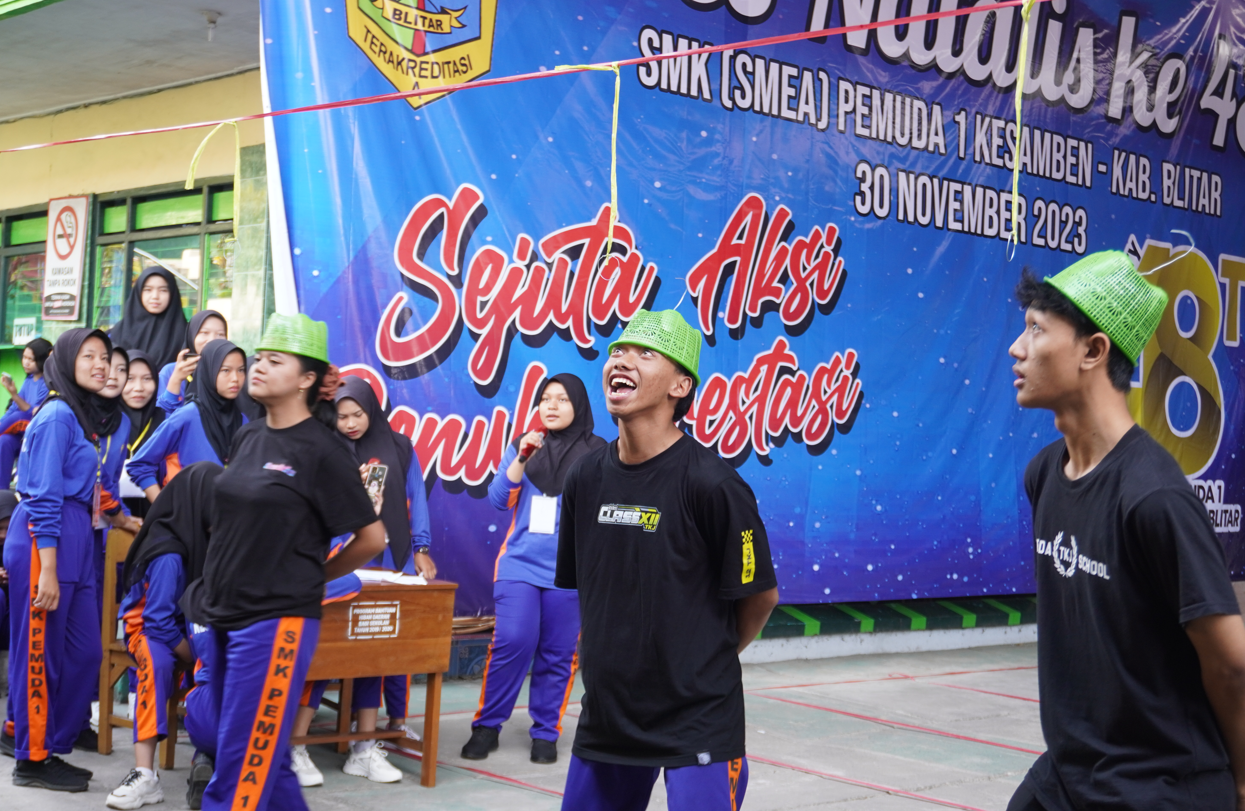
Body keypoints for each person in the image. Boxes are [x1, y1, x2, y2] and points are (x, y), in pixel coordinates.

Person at [1006, 252, 1245, 811]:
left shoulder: (1153, 497)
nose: (1017, 348)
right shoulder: (1044, 474)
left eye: (1036, 329)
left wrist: (1241, 783)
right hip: (1069, 774)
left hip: (1156, 785)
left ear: (1094, 351)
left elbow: (1231, 663)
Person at [555, 309, 779, 811]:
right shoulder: (585, 478)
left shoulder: (713, 485)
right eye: (618, 350)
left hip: (696, 720)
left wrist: (701, 665)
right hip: (608, 719)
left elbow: (760, 596)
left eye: (645, 353)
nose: (622, 360)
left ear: (681, 385)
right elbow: (589, 590)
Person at [182, 313, 386, 811]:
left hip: (275, 621)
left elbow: (371, 538)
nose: (258, 367)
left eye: (275, 361)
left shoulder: (323, 451)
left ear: (306, 379)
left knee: (240, 766)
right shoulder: (249, 437)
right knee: (263, 760)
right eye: (259, 357)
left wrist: (317, 576)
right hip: (225, 613)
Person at [282, 375, 435, 785]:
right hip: (337, 561)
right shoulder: (326, 449)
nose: (349, 423)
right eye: (342, 416)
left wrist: (421, 545)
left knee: (377, 651)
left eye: (357, 414)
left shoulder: (399, 447)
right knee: (327, 650)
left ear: (371, 411)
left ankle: (365, 746)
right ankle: (296, 745)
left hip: (387, 561)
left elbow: (417, 497)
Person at [463, 373, 604, 765]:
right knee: (513, 641)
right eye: (545, 398)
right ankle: (487, 726)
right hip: (519, 565)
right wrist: (523, 456)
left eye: (562, 399)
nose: (551, 406)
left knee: (558, 653)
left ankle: (545, 732)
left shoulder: (598, 453)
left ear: (579, 406)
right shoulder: (523, 445)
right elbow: (498, 499)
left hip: (570, 572)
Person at [4, 329, 114, 791]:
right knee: (39, 654)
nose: (100, 365)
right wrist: (47, 567)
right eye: (89, 356)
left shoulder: (77, 414)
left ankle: (47, 740)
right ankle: (32, 758)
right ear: (66, 361)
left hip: (75, 536)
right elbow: (43, 495)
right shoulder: (55, 415)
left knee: (86, 654)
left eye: (105, 357)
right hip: (44, 539)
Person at [106, 462, 221, 810]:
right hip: (148, 629)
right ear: (199, 505)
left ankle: (206, 757)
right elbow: (157, 621)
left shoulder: (207, 539)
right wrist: (192, 651)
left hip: (188, 624)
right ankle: (145, 774)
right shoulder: (169, 554)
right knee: (156, 665)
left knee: (222, 655)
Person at [126, 339, 247, 501]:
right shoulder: (187, 416)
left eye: (241, 370)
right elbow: (139, 464)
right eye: (225, 370)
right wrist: (161, 507)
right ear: (209, 371)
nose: (235, 378)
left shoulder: (243, 422)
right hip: (189, 515)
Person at [109, 267, 188, 372]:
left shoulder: (186, 335)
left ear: (172, 294)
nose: (155, 296)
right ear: (138, 292)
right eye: (148, 290)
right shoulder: (116, 334)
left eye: (163, 290)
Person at [0, 338, 51, 488]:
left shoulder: (47, 382)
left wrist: (14, 394)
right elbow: (14, 408)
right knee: (5, 442)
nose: (25, 363)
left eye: (31, 359)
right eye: (24, 357)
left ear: (42, 360)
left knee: (18, 418)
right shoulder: (29, 379)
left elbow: (35, 412)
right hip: (22, 430)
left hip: (39, 426)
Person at [119, 350, 165, 519]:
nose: (138, 388)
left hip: (155, 515)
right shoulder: (105, 422)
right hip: (109, 515)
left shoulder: (165, 422)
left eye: (147, 379)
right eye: (129, 379)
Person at [157, 310, 228, 416]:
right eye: (204, 333)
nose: (212, 340)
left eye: (220, 334)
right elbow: (162, 415)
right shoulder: (170, 371)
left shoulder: (229, 372)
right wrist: (176, 379)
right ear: (192, 335)